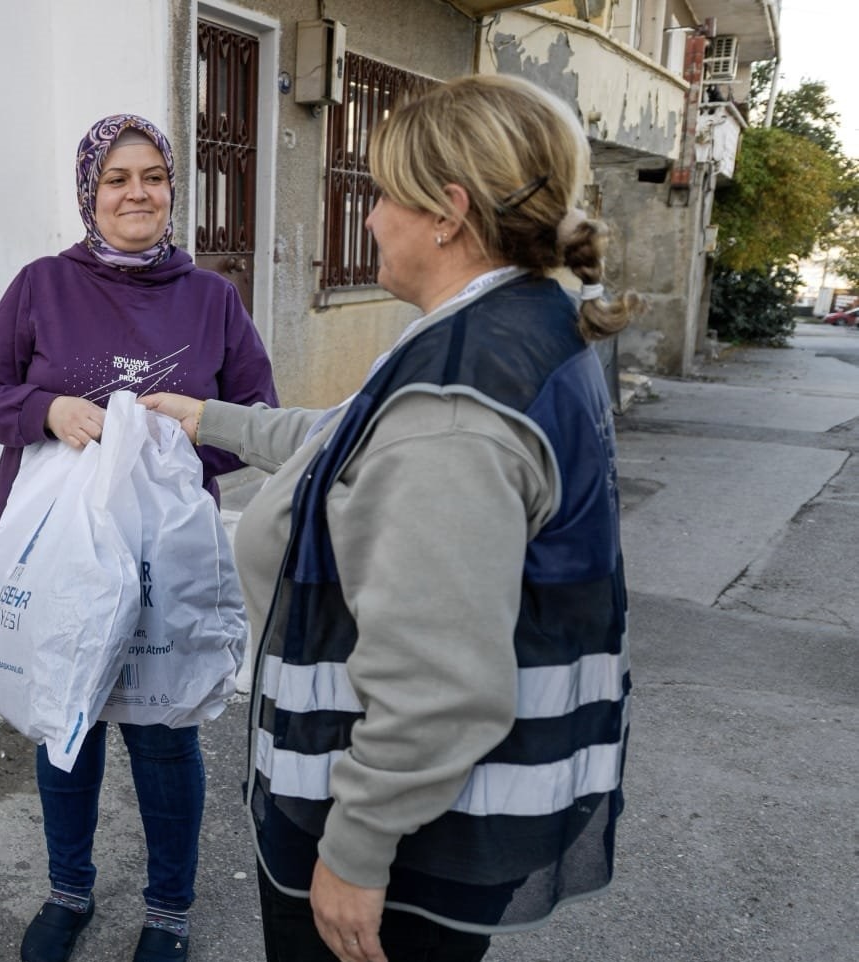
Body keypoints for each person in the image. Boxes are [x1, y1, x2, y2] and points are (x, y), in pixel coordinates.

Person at [142, 74, 636, 962]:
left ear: (447, 212)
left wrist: (356, 851)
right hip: (456, 809)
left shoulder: (457, 404)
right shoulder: (518, 327)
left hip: (404, 836)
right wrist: (210, 418)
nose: (367, 218)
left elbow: (439, 683)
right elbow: (357, 440)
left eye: (379, 195)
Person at [0, 113, 277, 962]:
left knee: (165, 734)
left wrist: (179, 437)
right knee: (69, 723)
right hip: (61, 553)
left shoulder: (212, 299)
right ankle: (69, 892)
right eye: (116, 180)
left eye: (153, 177)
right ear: (89, 195)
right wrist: (47, 411)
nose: (137, 194)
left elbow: (256, 418)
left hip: (165, 563)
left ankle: (168, 910)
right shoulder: (41, 286)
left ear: (174, 189)